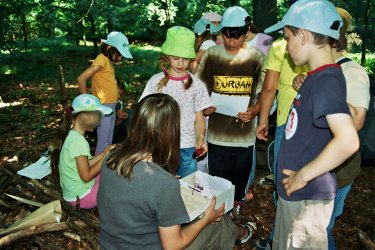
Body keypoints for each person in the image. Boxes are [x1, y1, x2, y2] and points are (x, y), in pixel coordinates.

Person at [98, 93, 253, 249]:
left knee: (214, 215)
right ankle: (240, 234)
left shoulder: (110, 158)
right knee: (216, 223)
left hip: (111, 245)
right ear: (169, 133)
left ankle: (238, 233)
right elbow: (173, 246)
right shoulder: (163, 183)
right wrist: (206, 219)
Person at [264, 0, 359, 248]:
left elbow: (348, 140)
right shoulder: (317, 78)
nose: (286, 47)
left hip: (306, 202)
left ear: (303, 35)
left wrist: (302, 177)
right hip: (296, 197)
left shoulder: (326, 80)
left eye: (287, 37)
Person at [292, 8, 370, 250]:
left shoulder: (352, 73)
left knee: (319, 232)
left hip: (337, 171)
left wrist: (323, 88)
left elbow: (356, 122)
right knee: (309, 230)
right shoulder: (319, 72)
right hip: (314, 165)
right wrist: (305, 83)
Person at [196, 6, 265, 202]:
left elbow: (265, 93)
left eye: (237, 36)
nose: (232, 41)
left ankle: (235, 206)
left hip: (243, 135)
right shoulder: (212, 54)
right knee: (217, 179)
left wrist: (254, 111)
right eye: (227, 36)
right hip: (216, 133)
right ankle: (219, 210)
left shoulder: (256, 57)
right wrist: (204, 105)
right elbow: (199, 88)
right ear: (221, 32)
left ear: (246, 32)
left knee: (239, 177)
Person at [140, 26, 212, 178]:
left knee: (187, 185)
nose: (180, 63)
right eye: (175, 58)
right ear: (166, 56)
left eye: (185, 59)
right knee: (162, 184)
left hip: (188, 145)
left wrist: (200, 137)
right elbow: (145, 115)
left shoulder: (197, 84)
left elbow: (199, 117)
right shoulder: (156, 82)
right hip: (161, 144)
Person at [51, 94, 115, 209]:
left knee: (108, 171)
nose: (100, 121)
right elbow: (86, 176)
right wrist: (105, 158)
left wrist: (102, 154)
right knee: (114, 178)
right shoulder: (79, 142)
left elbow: (85, 165)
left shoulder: (72, 135)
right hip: (82, 198)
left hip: (74, 194)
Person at [77, 31, 133, 155]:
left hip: (111, 107)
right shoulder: (101, 59)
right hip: (103, 107)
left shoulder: (108, 63)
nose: (120, 58)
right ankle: (98, 172)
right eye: (119, 54)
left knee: (108, 142)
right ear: (109, 48)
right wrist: (86, 104)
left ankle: (104, 169)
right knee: (103, 144)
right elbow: (81, 78)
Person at [112, 79, 134, 143]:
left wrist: (120, 119)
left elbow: (116, 124)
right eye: (117, 93)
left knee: (131, 113)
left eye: (120, 95)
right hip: (110, 134)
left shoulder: (117, 104)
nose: (118, 97)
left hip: (115, 132)